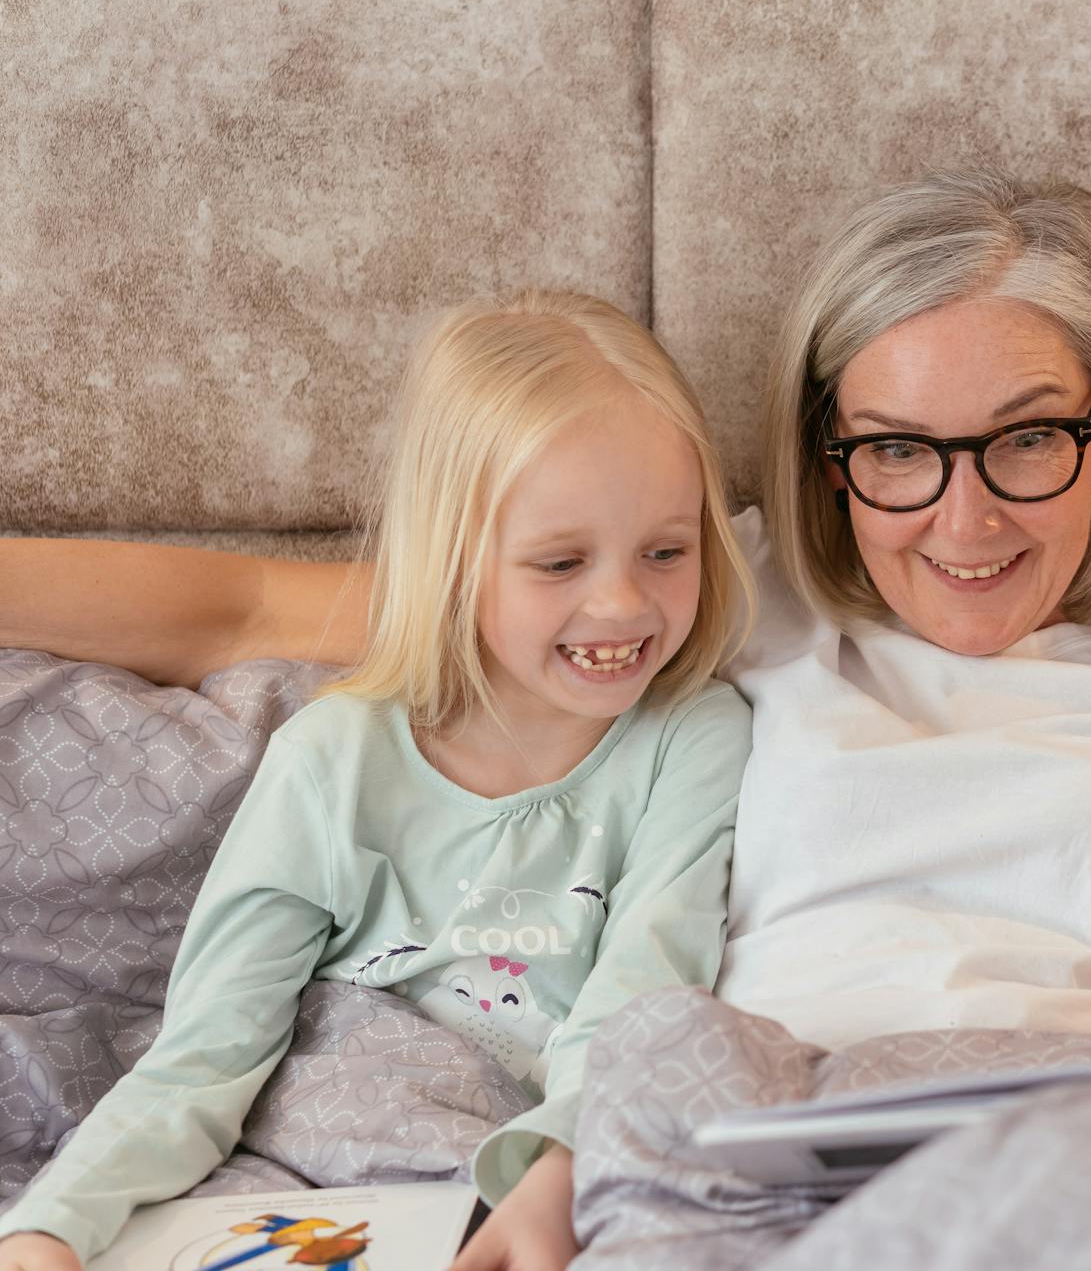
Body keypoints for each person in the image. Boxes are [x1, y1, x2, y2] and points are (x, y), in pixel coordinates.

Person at [2, 170, 1091, 1268]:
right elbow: (248, 620)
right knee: (663, 1062)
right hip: (770, 1122)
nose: (966, 516)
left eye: (1025, 438)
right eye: (895, 454)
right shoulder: (702, 590)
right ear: (829, 448)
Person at [0, 292, 754, 1270]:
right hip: (312, 1165)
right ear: (451, 561)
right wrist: (51, 1224)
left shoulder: (692, 735)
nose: (621, 603)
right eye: (559, 561)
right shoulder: (332, 757)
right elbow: (210, 1045)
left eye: (667, 550)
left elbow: (651, 984)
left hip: (537, 1169)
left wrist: (561, 1169)